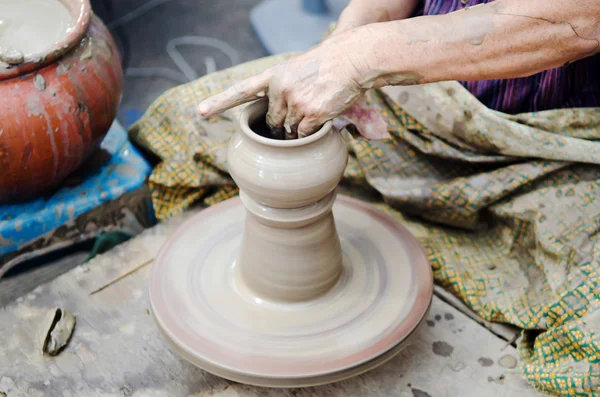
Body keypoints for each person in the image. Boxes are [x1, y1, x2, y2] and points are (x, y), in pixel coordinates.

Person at [197, 0, 599, 137]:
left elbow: (580, 21)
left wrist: (362, 58)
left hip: (549, 123)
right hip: (407, 78)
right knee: (187, 128)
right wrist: (339, 47)